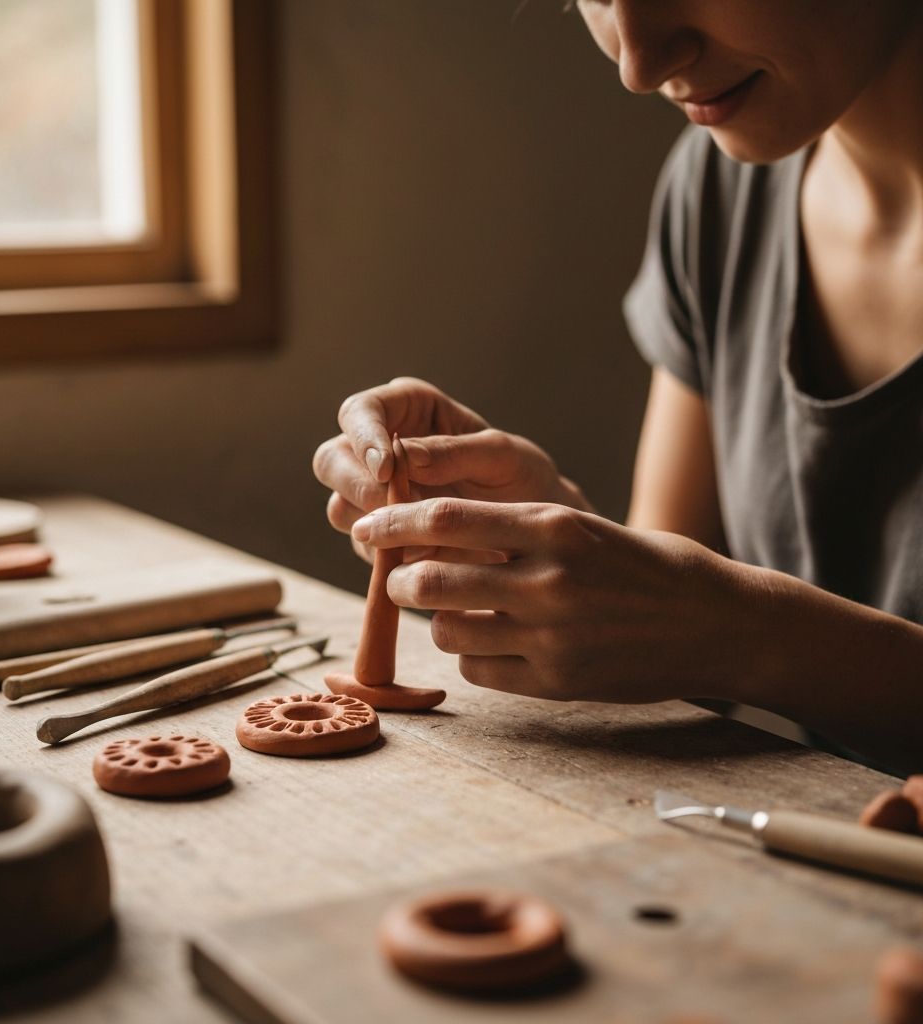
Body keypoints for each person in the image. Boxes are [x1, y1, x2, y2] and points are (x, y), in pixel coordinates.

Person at [312, 1, 923, 776]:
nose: (639, 64)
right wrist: (543, 543)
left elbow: (719, 622)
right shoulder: (718, 191)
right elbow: (680, 605)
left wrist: (751, 637)